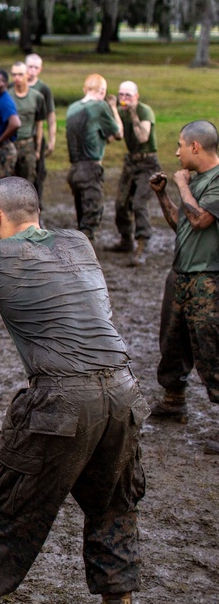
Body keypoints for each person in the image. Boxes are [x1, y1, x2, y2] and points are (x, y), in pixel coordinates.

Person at [0, 177, 147, 604]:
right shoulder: (79, 242)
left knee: (6, 510)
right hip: (123, 390)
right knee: (114, 509)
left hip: (61, 399)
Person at [147, 120, 219, 454]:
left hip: (208, 277)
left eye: (179, 145)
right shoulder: (195, 180)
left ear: (195, 147)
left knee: (210, 348)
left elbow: (201, 219)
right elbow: (181, 223)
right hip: (180, 273)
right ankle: (173, 399)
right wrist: (163, 195)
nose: (175, 152)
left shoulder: (217, 180)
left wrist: (181, 186)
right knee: (171, 340)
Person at [105, 81, 159, 266]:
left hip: (148, 163)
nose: (124, 99)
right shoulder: (120, 112)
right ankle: (126, 240)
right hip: (131, 162)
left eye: (128, 95)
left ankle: (143, 246)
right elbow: (113, 136)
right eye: (121, 95)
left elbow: (143, 137)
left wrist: (133, 113)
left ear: (136, 96)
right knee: (120, 203)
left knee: (139, 204)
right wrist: (111, 110)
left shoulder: (145, 111)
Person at [65, 74, 123, 243]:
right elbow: (118, 133)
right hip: (91, 170)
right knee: (91, 220)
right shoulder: (100, 106)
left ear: (85, 89)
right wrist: (113, 108)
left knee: (81, 215)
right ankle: (85, 259)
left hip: (74, 170)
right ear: (103, 91)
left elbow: (93, 136)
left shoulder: (73, 108)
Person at [8, 61, 45, 191]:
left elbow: (39, 123)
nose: (17, 78)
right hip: (10, 144)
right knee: (9, 184)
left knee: (28, 184)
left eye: (20, 74)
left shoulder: (37, 97)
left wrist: (38, 149)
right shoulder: (7, 96)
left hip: (28, 144)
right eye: (14, 75)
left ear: (27, 75)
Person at [25, 53, 57, 203]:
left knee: (38, 174)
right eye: (30, 66)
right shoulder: (15, 86)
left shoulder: (43, 89)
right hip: (18, 138)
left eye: (35, 67)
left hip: (36, 138)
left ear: (40, 70)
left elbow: (51, 116)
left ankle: (37, 211)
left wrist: (52, 139)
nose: (32, 70)